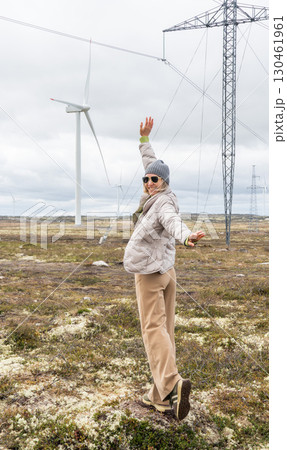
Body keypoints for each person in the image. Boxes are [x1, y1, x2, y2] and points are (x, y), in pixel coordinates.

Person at [123, 117, 205, 421]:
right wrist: (144, 140)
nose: (148, 183)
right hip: (167, 272)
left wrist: (186, 236)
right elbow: (151, 163)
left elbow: (172, 222)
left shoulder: (163, 204)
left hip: (151, 274)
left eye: (154, 180)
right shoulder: (158, 195)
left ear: (164, 183)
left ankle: (172, 384)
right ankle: (158, 397)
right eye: (145, 179)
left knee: (153, 329)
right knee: (166, 329)